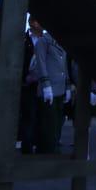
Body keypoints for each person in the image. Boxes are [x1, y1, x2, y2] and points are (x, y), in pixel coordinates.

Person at [27, 15, 68, 155]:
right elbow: (41, 64)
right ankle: (46, 151)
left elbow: (64, 66)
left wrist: (68, 86)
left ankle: (53, 147)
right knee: (48, 123)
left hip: (60, 88)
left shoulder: (61, 42)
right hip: (48, 88)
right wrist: (46, 85)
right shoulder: (43, 41)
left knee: (57, 121)